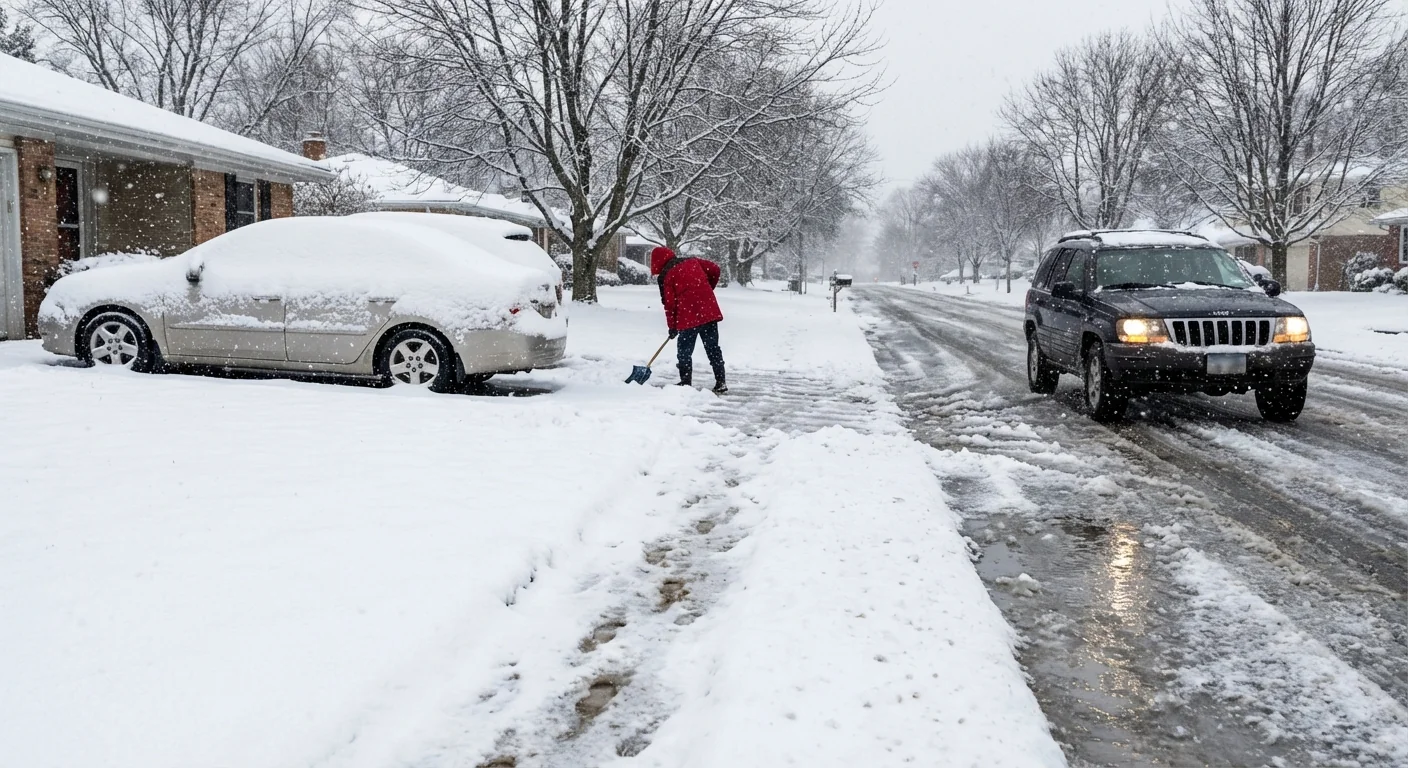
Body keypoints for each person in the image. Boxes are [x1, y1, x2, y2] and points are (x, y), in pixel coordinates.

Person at [649, 246, 727, 393]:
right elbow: (715, 269)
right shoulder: (693, 261)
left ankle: (685, 382)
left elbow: (669, 305)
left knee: (684, 351)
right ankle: (721, 381)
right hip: (708, 312)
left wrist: (672, 327)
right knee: (713, 348)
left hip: (687, 316)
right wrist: (707, 289)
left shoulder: (666, 276)